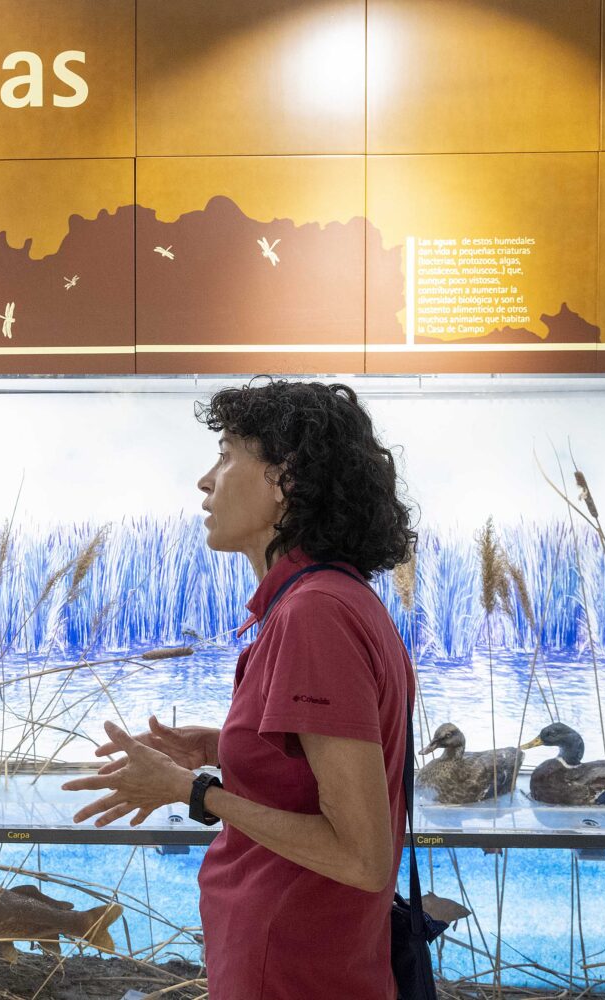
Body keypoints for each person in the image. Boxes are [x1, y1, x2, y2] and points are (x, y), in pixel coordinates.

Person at [63, 378, 416, 999]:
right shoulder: (330, 599)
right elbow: (317, 774)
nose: (206, 481)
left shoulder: (316, 614)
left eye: (226, 456)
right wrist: (225, 747)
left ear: (285, 479)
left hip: (294, 975)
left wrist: (193, 792)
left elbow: (361, 856)